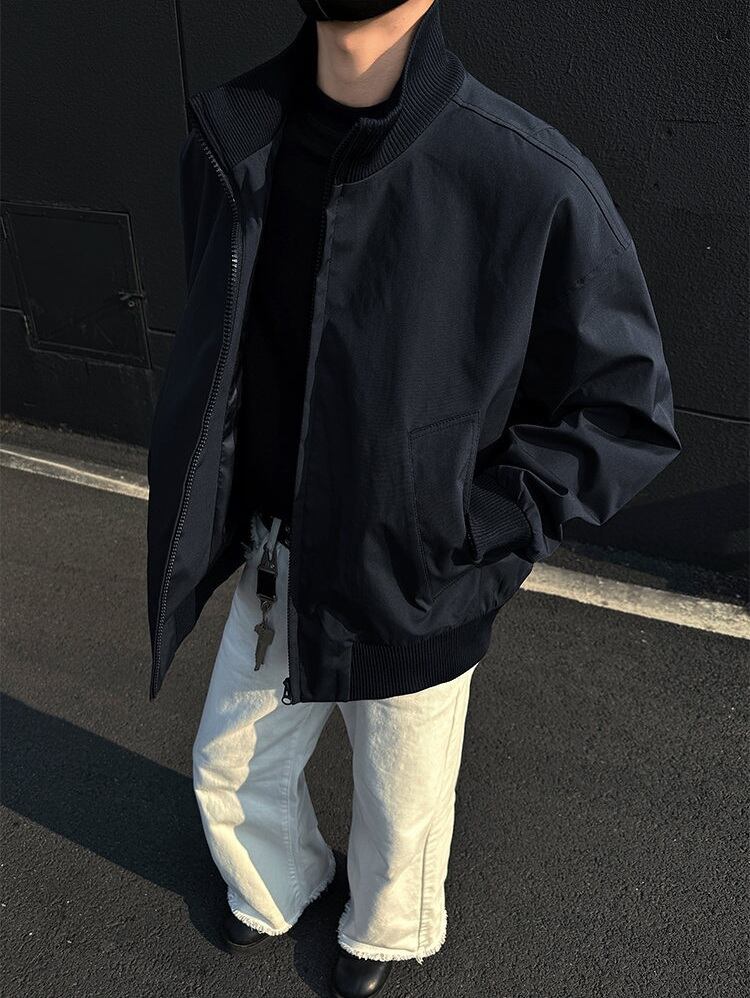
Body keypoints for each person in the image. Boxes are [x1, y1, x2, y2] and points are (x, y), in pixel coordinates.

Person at [145, 1, 681, 995]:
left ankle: (387, 933)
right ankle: (281, 886)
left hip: (422, 575)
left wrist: (471, 531)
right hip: (279, 552)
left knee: (404, 799)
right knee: (228, 761)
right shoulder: (234, 139)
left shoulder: (525, 177)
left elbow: (623, 407)